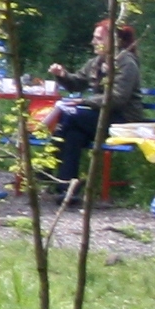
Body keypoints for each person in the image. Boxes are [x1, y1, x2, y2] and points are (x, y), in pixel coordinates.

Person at [51, 21, 143, 208]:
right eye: (94, 37)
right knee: (73, 134)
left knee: (71, 116)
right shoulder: (96, 62)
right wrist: (62, 75)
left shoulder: (126, 62)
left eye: (98, 38)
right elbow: (76, 83)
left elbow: (117, 99)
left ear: (113, 40)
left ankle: (48, 165)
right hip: (101, 119)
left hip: (123, 121)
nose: (93, 41)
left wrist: (84, 102)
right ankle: (66, 191)